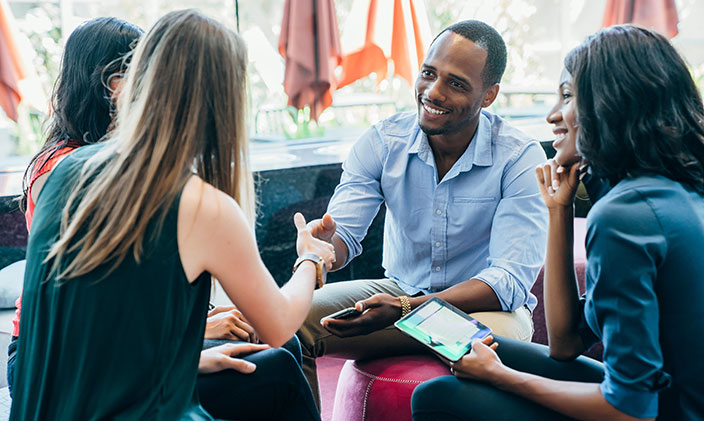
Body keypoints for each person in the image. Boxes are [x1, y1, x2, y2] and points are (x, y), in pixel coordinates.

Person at [10, 10, 334, 420]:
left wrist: (187, 361)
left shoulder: (65, 173)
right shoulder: (203, 206)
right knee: (281, 365)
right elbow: (280, 323)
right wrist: (309, 259)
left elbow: (87, 333)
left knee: (274, 366)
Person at [411, 24, 704, 420]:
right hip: (667, 396)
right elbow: (564, 343)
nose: (552, 116)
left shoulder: (625, 215)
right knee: (482, 344)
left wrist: (501, 378)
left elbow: (631, 410)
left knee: (439, 397)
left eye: (566, 96)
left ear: (611, 104)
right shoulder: (674, 189)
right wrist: (559, 211)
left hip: (663, 411)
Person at [298, 20, 548, 403]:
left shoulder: (518, 156)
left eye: (456, 83)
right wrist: (323, 249)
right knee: (286, 320)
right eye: (429, 73)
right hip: (398, 292)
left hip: (486, 312)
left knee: (480, 347)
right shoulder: (383, 141)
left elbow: (508, 282)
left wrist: (406, 309)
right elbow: (343, 234)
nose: (433, 92)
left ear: (489, 95)